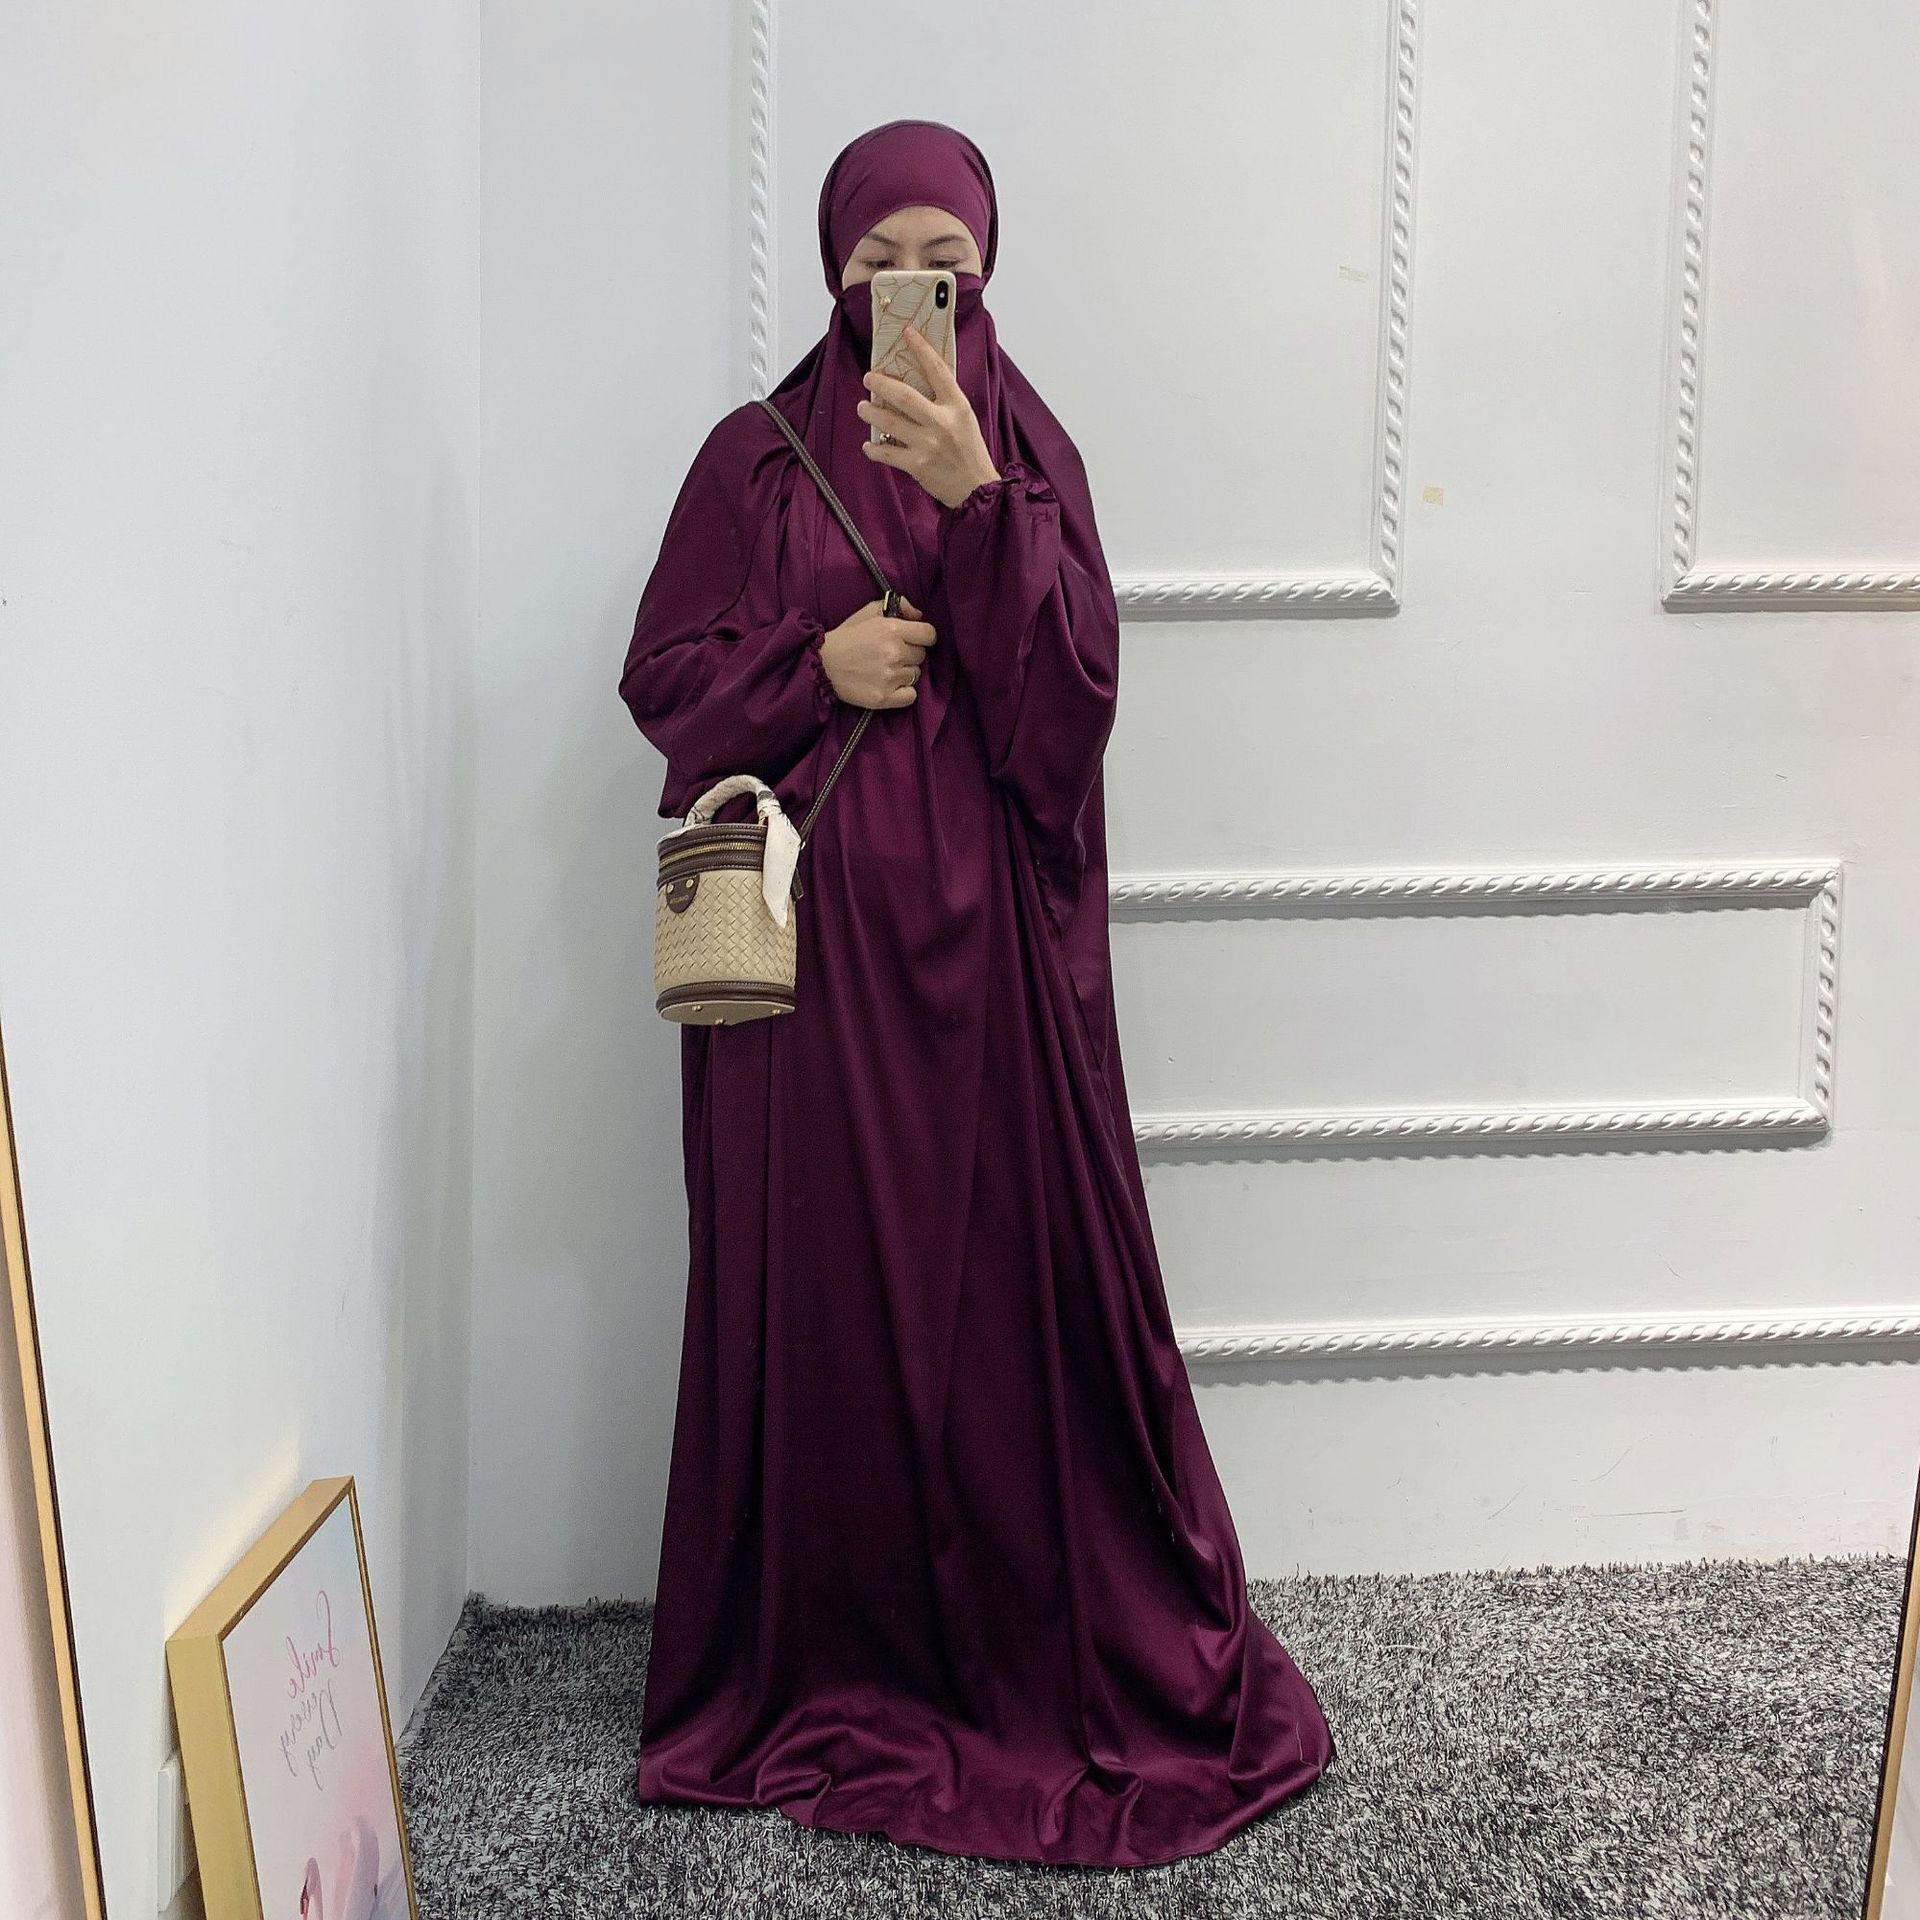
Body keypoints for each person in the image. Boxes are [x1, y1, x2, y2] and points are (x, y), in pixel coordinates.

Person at [617, 117, 1335, 1869]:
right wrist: (818, 663)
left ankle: (1018, 1656)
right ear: (834, 271)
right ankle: (828, 1659)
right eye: (878, 261)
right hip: (806, 992)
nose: (909, 290)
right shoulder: (755, 459)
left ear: (987, 270)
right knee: (828, 1300)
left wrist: (975, 504)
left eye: (941, 261)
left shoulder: (1027, 450)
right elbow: (663, 680)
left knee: (1012, 1305)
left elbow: (1070, 715)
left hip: (996, 979)